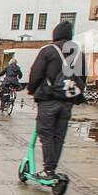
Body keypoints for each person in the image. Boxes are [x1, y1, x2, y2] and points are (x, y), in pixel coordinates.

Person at [27, 20, 85, 180]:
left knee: (46, 133)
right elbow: (82, 79)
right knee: (59, 136)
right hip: (67, 101)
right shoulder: (78, 53)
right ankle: (51, 168)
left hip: (48, 98)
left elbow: (36, 72)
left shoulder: (49, 51)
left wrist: (32, 90)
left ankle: (48, 170)